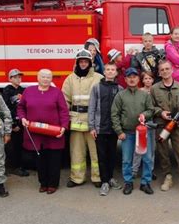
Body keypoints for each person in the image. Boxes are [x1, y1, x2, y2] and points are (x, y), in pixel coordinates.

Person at [18, 69, 69, 194]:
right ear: (38, 77)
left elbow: (63, 111)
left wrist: (64, 126)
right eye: (43, 76)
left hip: (53, 132)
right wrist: (23, 118)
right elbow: (21, 107)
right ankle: (43, 183)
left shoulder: (57, 92)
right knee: (40, 160)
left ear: (51, 79)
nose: (46, 79)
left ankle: (52, 184)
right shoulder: (28, 91)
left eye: (48, 77)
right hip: (36, 134)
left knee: (54, 160)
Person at [150, 60, 179, 197]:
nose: (165, 71)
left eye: (167, 68)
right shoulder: (154, 89)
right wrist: (160, 112)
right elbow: (151, 106)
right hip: (162, 125)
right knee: (163, 153)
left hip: (177, 126)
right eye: (162, 69)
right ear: (159, 72)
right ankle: (168, 177)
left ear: (172, 70)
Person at [62, 49, 103, 188]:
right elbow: (65, 100)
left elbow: (102, 100)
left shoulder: (98, 78)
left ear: (90, 62)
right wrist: (64, 119)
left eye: (86, 61)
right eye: (81, 61)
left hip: (93, 122)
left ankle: (97, 177)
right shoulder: (70, 79)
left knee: (95, 151)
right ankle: (77, 178)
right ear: (77, 62)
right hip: (76, 121)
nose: (83, 63)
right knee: (76, 152)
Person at [111, 68, 155, 195]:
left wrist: (144, 115)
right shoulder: (120, 95)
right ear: (125, 80)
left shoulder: (144, 95)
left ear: (138, 79)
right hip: (127, 133)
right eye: (129, 77)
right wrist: (119, 131)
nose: (132, 79)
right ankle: (128, 182)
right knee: (126, 160)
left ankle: (145, 183)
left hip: (142, 133)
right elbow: (114, 114)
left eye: (134, 76)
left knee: (147, 159)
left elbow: (151, 110)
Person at [89, 62, 123, 196]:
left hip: (113, 128)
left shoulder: (119, 88)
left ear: (116, 73)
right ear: (104, 72)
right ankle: (104, 182)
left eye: (112, 70)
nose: (110, 72)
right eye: (107, 69)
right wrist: (92, 126)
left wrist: (120, 127)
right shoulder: (97, 88)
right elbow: (92, 107)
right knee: (101, 156)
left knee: (112, 155)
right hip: (100, 128)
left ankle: (110, 178)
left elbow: (121, 109)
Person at [2, 68, 28, 177]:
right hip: (12, 124)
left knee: (21, 145)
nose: (18, 79)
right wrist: (12, 124)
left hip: (21, 121)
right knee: (12, 146)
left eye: (19, 77)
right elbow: (5, 108)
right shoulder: (7, 90)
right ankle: (13, 167)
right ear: (10, 79)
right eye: (15, 77)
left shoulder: (23, 90)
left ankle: (20, 166)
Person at [132, 71, 157, 180]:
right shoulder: (139, 92)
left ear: (153, 80)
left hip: (151, 123)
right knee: (138, 148)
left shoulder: (155, 91)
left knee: (151, 148)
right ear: (142, 80)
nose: (148, 80)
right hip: (141, 124)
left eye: (150, 78)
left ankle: (150, 170)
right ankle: (134, 170)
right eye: (145, 78)